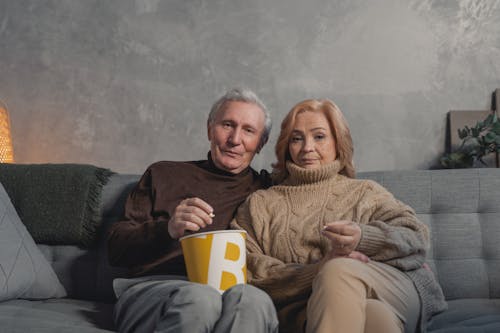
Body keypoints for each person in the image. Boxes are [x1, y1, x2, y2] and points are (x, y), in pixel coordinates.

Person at [231, 99, 447, 333]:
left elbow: (416, 237)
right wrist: (316, 270)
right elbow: (246, 268)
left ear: (338, 141)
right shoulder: (260, 205)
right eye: (297, 138)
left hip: (393, 289)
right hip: (318, 307)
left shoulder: (365, 192)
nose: (307, 148)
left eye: (319, 136)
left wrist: (364, 238)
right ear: (286, 145)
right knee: (374, 316)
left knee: (338, 270)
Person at [107, 88, 279, 333]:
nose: (235, 139)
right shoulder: (163, 173)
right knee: (201, 299)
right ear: (210, 128)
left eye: (249, 130)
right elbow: (115, 249)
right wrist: (167, 228)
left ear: (261, 143)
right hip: (153, 288)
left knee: (255, 301)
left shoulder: (268, 190)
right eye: (227, 125)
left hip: (230, 292)